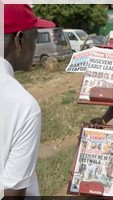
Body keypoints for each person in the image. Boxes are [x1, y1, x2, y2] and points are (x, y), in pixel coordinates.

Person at [1, 4, 55, 197]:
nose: (35, 46)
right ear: (20, 39)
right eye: (36, 36)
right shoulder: (24, 106)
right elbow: (12, 193)